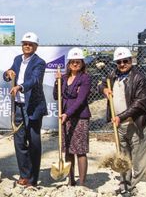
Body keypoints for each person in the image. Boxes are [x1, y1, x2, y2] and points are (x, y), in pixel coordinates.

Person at [99, 47, 146, 196]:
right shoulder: (113, 75)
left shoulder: (139, 78)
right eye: (119, 62)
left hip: (135, 124)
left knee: (139, 158)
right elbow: (101, 84)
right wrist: (103, 89)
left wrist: (120, 117)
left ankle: (139, 187)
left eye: (125, 61)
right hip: (119, 126)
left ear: (131, 61)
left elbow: (140, 103)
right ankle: (125, 185)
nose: (122, 64)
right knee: (124, 157)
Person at [3, 32, 47, 187]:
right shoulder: (17, 59)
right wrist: (8, 74)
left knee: (34, 143)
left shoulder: (39, 62)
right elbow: (8, 73)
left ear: (35, 46)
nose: (27, 46)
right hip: (18, 106)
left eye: (30, 44)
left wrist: (20, 87)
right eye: (24, 43)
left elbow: (34, 80)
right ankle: (24, 175)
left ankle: (33, 179)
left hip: (33, 108)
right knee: (19, 142)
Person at [54, 47, 91, 186]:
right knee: (68, 150)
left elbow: (80, 100)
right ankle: (71, 181)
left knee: (80, 150)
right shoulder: (63, 78)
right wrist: (57, 82)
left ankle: (82, 184)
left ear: (82, 63)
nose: (75, 64)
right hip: (65, 117)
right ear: (69, 64)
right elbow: (56, 95)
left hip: (80, 117)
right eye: (72, 62)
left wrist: (67, 114)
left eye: (78, 62)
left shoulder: (85, 78)